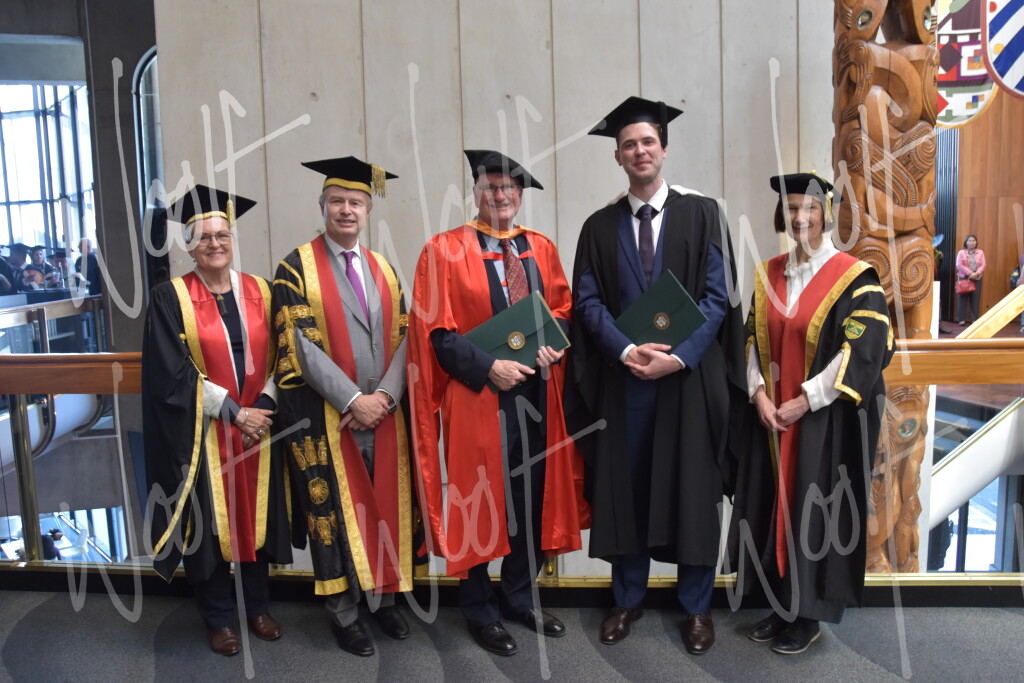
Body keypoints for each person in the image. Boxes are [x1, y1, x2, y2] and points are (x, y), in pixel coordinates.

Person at [564, 96, 745, 655]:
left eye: (648, 141)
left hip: (686, 383)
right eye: (629, 144)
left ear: (663, 148)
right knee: (627, 488)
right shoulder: (598, 226)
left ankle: (696, 607)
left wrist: (680, 356)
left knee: (692, 489)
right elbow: (587, 302)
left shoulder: (703, 214)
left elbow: (717, 297)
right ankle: (626, 599)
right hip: (626, 383)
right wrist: (624, 350)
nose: (639, 151)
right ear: (617, 156)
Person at [407, 149, 587, 656]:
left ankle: (518, 596)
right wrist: (489, 367)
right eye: (490, 187)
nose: (500, 195)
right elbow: (436, 333)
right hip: (478, 395)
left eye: (509, 188)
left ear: (520, 195)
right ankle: (479, 608)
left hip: (537, 392)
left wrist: (554, 343)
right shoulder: (443, 250)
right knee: (479, 497)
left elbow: (563, 309)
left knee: (532, 495)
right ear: (475, 193)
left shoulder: (539, 248)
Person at [729, 172, 893, 654]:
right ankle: (780, 607)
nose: (801, 217)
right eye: (793, 208)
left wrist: (806, 399)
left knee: (813, 513)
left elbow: (864, 351)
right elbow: (751, 339)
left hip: (821, 422)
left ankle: (808, 617)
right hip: (773, 421)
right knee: (773, 508)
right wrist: (759, 394)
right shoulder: (769, 273)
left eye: (811, 208)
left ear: (826, 214)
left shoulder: (854, 277)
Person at [272, 157, 416, 657]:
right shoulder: (295, 267)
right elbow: (299, 345)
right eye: (337, 201)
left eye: (356, 202)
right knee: (332, 512)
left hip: (385, 415)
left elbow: (407, 337)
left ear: (368, 210)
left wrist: (386, 398)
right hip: (329, 418)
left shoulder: (384, 269)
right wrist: (354, 399)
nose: (347, 210)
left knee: (383, 506)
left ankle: (384, 601)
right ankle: (345, 613)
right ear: (322, 206)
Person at [142, 184, 292, 656]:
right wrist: (235, 412)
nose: (214, 244)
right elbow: (173, 371)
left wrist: (263, 407)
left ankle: (257, 607)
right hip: (205, 433)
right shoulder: (170, 297)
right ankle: (219, 617)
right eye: (203, 237)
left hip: (259, 428)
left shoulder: (262, 290)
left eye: (222, 235)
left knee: (255, 519)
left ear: (233, 239)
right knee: (209, 526)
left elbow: (284, 354)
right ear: (189, 246)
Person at [955, 234, 985, 326]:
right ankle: (961, 319)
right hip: (964, 277)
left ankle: (974, 319)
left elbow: (983, 265)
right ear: (966, 243)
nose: (972, 242)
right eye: (970, 241)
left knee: (975, 299)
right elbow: (959, 265)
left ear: (976, 242)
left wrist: (977, 273)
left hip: (977, 277)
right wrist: (970, 273)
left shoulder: (980, 252)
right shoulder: (961, 252)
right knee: (962, 298)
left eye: (974, 241)